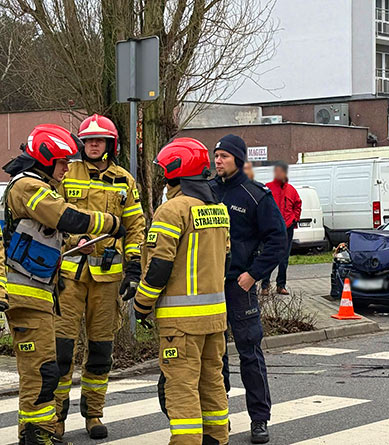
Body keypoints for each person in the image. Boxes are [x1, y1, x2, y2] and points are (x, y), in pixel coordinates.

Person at [1, 124, 124, 445]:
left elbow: (50, 231)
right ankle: (37, 435)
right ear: (45, 160)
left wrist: (77, 240)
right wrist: (109, 223)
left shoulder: (36, 184)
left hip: (38, 296)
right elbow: (64, 216)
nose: (67, 168)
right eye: (62, 162)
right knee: (41, 371)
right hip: (25, 298)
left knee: (43, 370)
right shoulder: (29, 187)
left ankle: (36, 434)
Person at [131, 138, 230, 445]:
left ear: (175, 169)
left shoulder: (171, 211)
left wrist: (141, 305)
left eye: (164, 168)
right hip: (215, 319)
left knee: (181, 387)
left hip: (181, 322)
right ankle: (217, 439)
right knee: (212, 381)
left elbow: (160, 266)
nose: (162, 174)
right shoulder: (218, 210)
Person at [54, 114, 146, 439]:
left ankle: (93, 414)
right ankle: (56, 419)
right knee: (62, 349)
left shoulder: (124, 180)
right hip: (69, 273)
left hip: (107, 277)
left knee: (100, 350)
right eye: (89, 139)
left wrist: (134, 265)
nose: (93, 144)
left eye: (99, 140)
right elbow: (52, 216)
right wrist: (70, 239)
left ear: (110, 144)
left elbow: (135, 226)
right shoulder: (67, 173)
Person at [210, 134, 286, 444]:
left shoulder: (255, 195)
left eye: (224, 157)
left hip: (239, 287)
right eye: (216, 156)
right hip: (208, 288)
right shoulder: (207, 192)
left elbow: (278, 239)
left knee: (250, 353)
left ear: (238, 160)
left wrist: (253, 274)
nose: (218, 161)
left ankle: (259, 419)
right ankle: (218, 416)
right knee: (214, 355)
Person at [261, 162, 301, 296]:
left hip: (287, 228)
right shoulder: (268, 188)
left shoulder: (291, 189)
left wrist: (295, 218)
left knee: (284, 259)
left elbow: (297, 204)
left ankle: (281, 285)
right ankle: (265, 286)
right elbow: (261, 206)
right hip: (271, 228)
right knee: (268, 255)